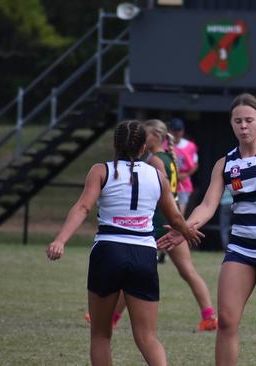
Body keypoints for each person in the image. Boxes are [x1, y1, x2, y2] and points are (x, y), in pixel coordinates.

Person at [158, 93, 256, 366]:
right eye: (237, 121)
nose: (243, 126)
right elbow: (207, 205)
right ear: (231, 124)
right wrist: (184, 227)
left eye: (248, 120)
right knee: (227, 322)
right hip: (241, 250)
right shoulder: (226, 164)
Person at [46, 120, 202, 366]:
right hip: (144, 254)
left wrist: (60, 240)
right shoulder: (157, 175)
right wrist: (188, 231)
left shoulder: (100, 171)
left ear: (114, 144)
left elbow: (83, 207)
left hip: (108, 251)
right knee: (148, 337)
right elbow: (174, 217)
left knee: (100, 334)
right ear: (143, 148)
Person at [142, 119, 218, 331]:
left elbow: (160, 191)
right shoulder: (168, 158)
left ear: (157, 137)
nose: (142, 138)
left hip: (159, 221)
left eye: (145, 134)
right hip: (173, 218)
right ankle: (209, 316)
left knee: (136, 270)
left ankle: (109, 319)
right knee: (188, 271)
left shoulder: (156, 160)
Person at [167, 118, 198, 216]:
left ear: (183, 131)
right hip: (167, 182)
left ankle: (177, 231)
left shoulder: (190, 146)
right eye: (174, 130)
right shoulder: (164, 145)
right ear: (169, 131)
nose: (176, 133)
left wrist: (186, 174)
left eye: (179, 130)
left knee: (180, 212)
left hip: (183, 184)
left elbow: (195, 164)